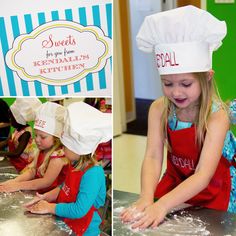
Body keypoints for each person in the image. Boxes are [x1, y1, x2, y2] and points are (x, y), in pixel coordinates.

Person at [120, 5, 236, 230]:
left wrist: (162, 205)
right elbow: (153, 157)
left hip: (214, 190)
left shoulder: (216, 117)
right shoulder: (159, 109)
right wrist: (146, 196)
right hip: (176, 185)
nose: (176, 92)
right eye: (167, 83)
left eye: (186, 84)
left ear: (207, 78)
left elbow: (203, 175)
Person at [24, 101, 112, 236]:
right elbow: (64, 188)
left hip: (85, 231)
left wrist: (50, 207)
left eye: (65, 146)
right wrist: (45, 197)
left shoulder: (93, 173)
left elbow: (79, 210)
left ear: (78, 149)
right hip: (66, 223)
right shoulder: (74, 163)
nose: (62, 149)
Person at [0, 102, 69, 193]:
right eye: (36, 135)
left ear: (56, 138)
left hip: (51, 197)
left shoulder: (58, 157)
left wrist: (18, 185)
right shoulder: (42, 150)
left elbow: (45, 182)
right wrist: (14, 181)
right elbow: (32, 171)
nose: (37, 140)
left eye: (43, 137)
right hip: (39, 192)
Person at [0, 98, 41, 171]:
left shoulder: (26, 133)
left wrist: (1, 153)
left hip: (26, 166)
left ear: (18, 119)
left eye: (11, 118)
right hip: (17, 162)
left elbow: (17, 153)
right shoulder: (16, 130)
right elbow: (6, 142)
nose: (9, 120)